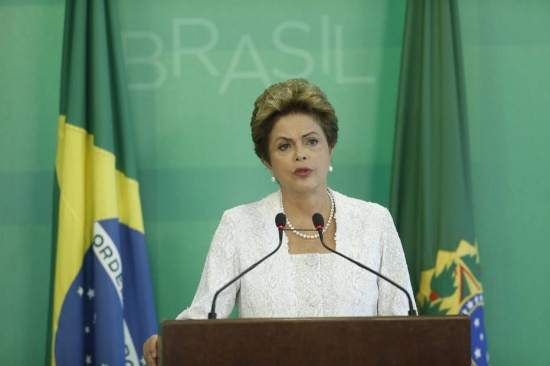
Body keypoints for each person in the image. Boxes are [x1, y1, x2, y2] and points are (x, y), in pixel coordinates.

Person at [143, 78, 415, 365]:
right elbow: (206, 316)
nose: (301, 154)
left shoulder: (374, 222)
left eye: (312, 141)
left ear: (330, 148)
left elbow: (403, 326)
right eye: (284, 146)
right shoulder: (239, 225)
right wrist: (170, 342)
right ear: (267, 161)